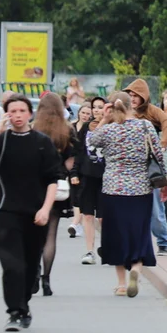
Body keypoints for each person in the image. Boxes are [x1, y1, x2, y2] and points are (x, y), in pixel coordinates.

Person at [0, 96, 61, 331]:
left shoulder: (42, 142)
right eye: (12, 111)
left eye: (22, 110)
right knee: (11, 263)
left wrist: (45, 209)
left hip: (36, 213)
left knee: (30, 264)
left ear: (30, 114)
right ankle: (15, 311)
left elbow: (53, 179)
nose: (17, 115)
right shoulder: (0, 142)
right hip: (6, 212)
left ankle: (23, 303)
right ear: (6, 114)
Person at [87, 92, 167, 297]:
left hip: (113, 189)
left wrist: (104, 120)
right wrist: (165, 183)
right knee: (138, 232)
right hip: (141, 189)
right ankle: (136, 269)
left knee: (116, 234)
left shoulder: (109, 130)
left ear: (112, 108)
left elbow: (90, 148)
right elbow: (158, 155)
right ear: (131, 105)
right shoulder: (145, 126)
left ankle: (122, 284)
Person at [32, 93, 77, 297]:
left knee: (33, 235)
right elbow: (72, 161)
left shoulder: (33, 129)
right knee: (51, 234)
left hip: (35, 186)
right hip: (58, 186)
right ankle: (46, 280)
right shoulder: (66, 130)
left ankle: (34, 274)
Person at [122, 79, 167, 255]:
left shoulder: (151, 111)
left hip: (150, 165)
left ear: (143, 97)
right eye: (130, 95)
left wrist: (163, 143)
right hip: (128, 166)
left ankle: (163, 241)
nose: (133, 98)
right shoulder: (123, 112)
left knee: (154, 208)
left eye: (136, 95)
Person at [72, 97, 106, 264]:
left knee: (103, 217)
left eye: (100, 107)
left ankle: (106, 247)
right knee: (87, 215)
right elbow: (79, 152)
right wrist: (74, 172)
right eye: (94, 107)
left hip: (105, 178)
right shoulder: (86, 127)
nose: (97, 110)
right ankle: (89, 251)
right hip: (87, 176)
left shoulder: (110, 127)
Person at [67, 104, 93, 238]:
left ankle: (75, 223)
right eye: (83, 112)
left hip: (86, 166)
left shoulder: (91, 128)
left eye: (88, 113)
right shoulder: (71, 126)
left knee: (81, 195)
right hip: (72, 165)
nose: (85, 115)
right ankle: (77, 223)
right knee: (74, 195)